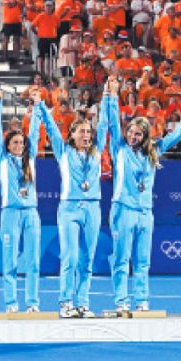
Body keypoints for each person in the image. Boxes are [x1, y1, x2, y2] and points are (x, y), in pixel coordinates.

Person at [106, 89, 181, 313]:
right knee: (121, 259)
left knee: (143, 260)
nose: (133, 136)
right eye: (130, 132)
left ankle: (141, 300)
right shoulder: (118, 148)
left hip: (145, 212)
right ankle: (121, 301)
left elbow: (174, 137)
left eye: (138, 134)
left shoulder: (153, 151)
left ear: (145, 135)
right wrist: (111, 97)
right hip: (123, 210)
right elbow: (111, 124)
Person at [36, 77, 110, 318]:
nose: (87, 135)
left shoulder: (96, 152)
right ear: (72, 134)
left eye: (89, 131)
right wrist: (40, 106)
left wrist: (108, 97)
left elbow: (106, 124)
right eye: (82, 131)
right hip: (69, 208)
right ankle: (66, 302)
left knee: (88, 259)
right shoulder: (63, 151)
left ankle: (82, 303)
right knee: (70, 256)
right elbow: (50, 127)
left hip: (93, 208)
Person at [0, 89, 43, 313]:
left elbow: (36, 132)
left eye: (21, 142)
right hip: (10, 213)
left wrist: (38, 107)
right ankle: (11, 303)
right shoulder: (2, 158)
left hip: (31, 213)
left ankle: (32, 303)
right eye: (15, 142)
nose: (19, 145)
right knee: (9, 260)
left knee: (33, 261)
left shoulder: (30, 158)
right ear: (8, 145)